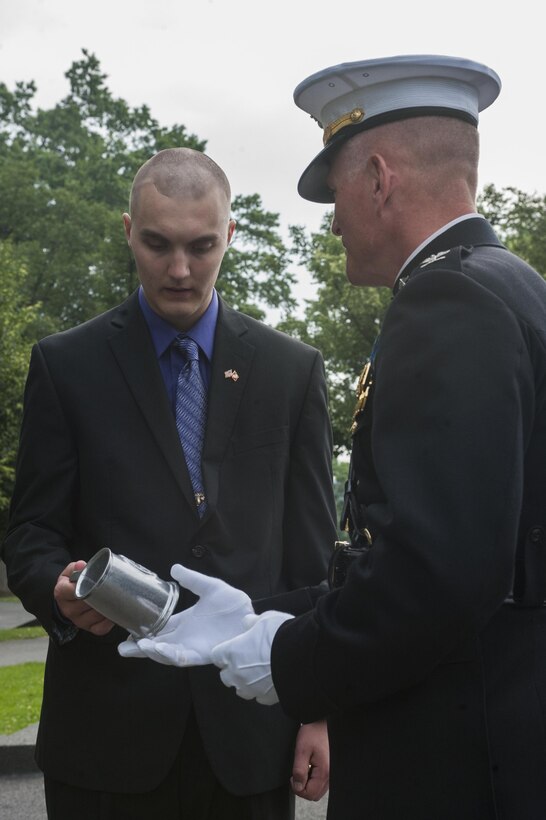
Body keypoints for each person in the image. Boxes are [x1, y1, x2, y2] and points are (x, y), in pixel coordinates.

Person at [125, 56, 546, 819]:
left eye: (336, 193)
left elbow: (438, 573)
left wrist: (289, 661)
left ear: (379, 178)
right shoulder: (513, 285)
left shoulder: (446, 300)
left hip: (452, 765)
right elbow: (467, 547)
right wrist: (270, 612)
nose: (334, 219)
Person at [1, 147, 338, 819]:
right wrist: (56, 589)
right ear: (128, 231)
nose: (180, 270)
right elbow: (32, 533)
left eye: (200, 246)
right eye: (157, 244)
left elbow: (313, 560)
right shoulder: (66, 366)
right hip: (104, 741)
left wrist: (316, 708)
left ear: (231, 236)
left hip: (247, 737)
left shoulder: (291, 372)